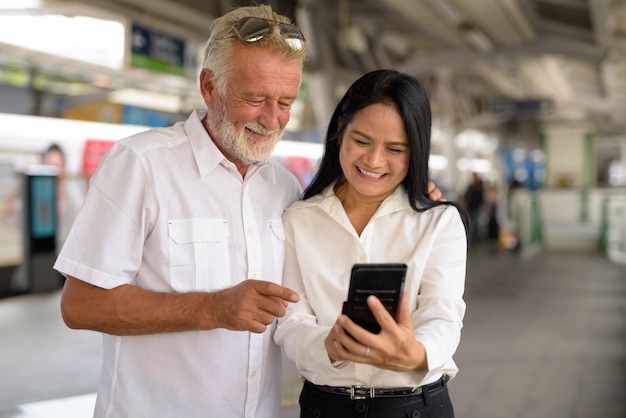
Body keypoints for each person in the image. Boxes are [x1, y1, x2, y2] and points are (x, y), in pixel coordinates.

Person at [53, 6, 445, 417]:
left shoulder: (283, 188)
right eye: (255, 98)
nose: (272, 118)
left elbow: (343, 225)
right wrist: (211, 308)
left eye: (285, 101)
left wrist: (408, 198)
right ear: (209, 86)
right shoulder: (142, 164)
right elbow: (79, 305)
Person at [274, 70, 469, 418]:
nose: (374, 161)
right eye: (362, 141)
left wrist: (416, 352)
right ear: (339, 130)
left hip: (415, 407)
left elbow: (444, 313)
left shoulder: (439, 221)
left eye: (395, 149)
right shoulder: (298, 219)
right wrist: (327, 346)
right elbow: (291, 320)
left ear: (416, 151)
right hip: (326, 407)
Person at [463, 171, 485, 245]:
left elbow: (481, 199)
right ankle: (472, 240)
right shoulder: (471, 186)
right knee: (471, 224)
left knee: (476, 225)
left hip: (476, 208)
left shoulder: (479, 187)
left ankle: (476, 241)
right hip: (470, 208)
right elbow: (466, 196)